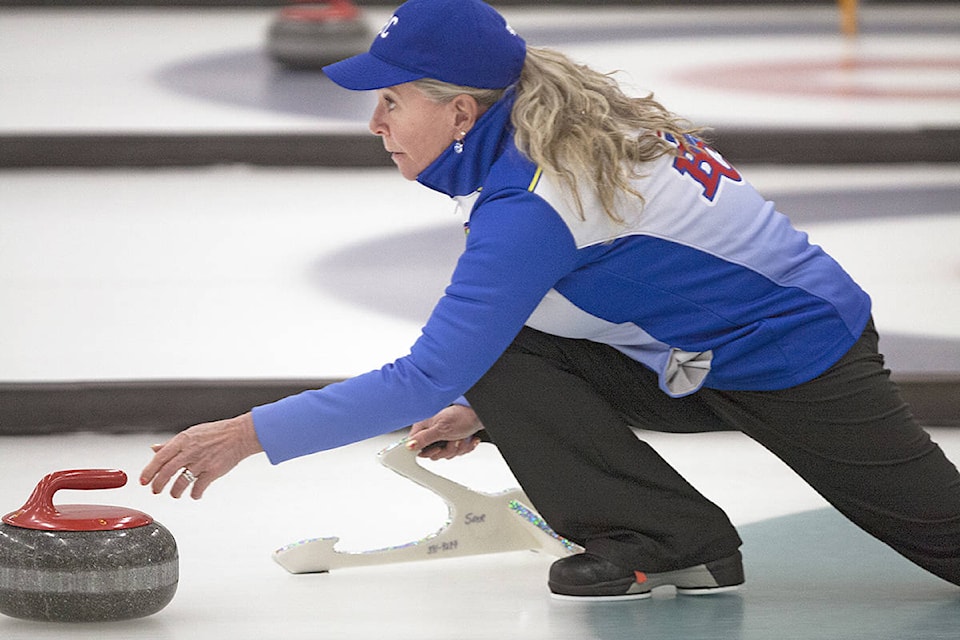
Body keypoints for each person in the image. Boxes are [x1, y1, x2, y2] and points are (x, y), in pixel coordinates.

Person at [141, 0, 960, 600]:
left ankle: (668, 533)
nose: (374, 123)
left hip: (799, 359)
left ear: (460, 110)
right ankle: (666, 540)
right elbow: (572, 300)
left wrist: (249, 434)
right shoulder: (539, 133)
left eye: (391, 101)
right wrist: (489, 401)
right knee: (493, 360)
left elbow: (421, 375)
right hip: (697, 350)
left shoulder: (534, 197)